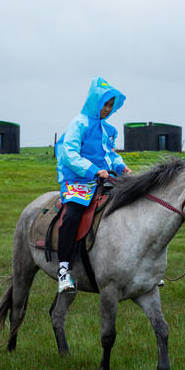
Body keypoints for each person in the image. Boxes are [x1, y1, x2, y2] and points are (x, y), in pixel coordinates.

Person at [54, 76, 132, 293]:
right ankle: (63, 270)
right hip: (78, 181)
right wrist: (93, 170)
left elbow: (111, 156)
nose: (107, 109)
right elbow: (69, 154)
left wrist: (122, 167)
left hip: (104, 179)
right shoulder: (78, 124)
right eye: (104, 104)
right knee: (72, 215)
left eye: (110, 105)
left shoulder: (108, 130)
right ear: (94, 102)